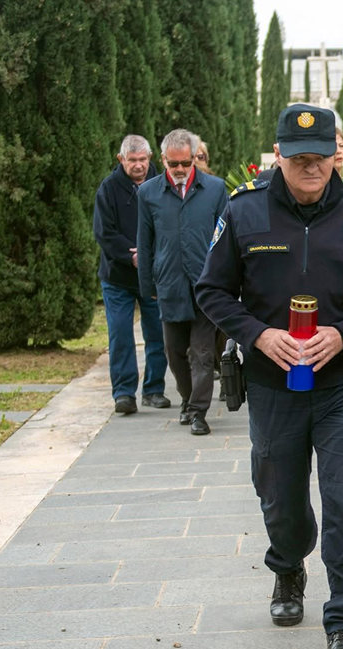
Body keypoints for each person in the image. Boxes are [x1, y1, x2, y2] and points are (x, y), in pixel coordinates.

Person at [195, 104, 343, 649]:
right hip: (273, 386)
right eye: (298, 158)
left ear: (337, 153)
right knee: (280, 497)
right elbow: (211, 291)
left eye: (320, 157)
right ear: (278, 155)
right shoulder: (244, 212)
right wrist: (259, 335)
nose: (311, 167)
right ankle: (288, 565)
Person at [137, 128, 228, 434]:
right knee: (174, 351)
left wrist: (227, 281)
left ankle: (199, 412)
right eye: (173, 163)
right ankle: (188, 400)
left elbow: (225, 239)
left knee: (202, 352)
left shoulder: (215, 189)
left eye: (186, 163)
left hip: (206, 284)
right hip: (169, 284)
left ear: (194, 159)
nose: (179, 169)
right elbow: (144, 242)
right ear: (163, 159)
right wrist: (147, 286)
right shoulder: (148, 193)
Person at [92, 135, 171, 415]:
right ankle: (124, 393)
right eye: (132, 160)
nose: (138, 165)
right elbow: (104, 232)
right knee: (121, 334)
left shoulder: (162, 185)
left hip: (153, 274)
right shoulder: (108, 188)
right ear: (121, 159)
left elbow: (170, 224)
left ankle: (153, 389)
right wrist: (132, 255)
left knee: (158, 333)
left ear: (150, 158)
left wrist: (151, 255)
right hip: (118, 278)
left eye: (143, 160)